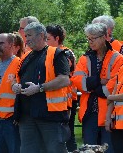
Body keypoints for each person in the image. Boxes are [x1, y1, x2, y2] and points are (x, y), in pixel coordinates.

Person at [12, 22, 70, 153]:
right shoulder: (26, 56)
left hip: (50, 117)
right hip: (27, 116)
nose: (26, 39)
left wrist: (39, 88)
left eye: (30, 35)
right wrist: (15, 85)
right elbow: (17, 78)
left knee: (54, 150)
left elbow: (64, 80)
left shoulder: (57, 54)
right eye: (25, 36)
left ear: (41, 35)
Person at [72, 23, 123, 153]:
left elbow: (113, 87)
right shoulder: (85, 58)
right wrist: (99, 81)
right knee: (88, 150)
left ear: (104, 37)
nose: (90, 42)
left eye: (93, 38)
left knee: (109, 149)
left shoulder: (118, 58)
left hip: (109, 114)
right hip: (89, 114)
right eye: (88, 38)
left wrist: (91, 85)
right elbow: (79, 82)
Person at [46, 24, 77, 152]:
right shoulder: (48, 53)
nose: (45, 41)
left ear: (56, 38)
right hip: (56, 101)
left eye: (47, 38)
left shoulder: (65, 53)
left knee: (66, 135)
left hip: (66, 101)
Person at [105, 63, 123, 153]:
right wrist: (108, 117)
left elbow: (112, 97)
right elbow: (114, 91)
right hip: (118, 125)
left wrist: (110, 97)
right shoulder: (122, 68)